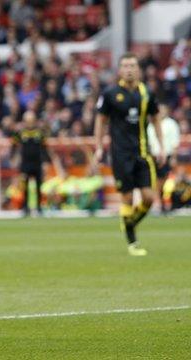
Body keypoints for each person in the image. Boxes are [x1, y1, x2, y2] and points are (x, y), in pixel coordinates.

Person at [94, 53, 165, 256]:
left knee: (149, 198)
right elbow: (101, 121)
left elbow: (156, 118)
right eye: (125, 66)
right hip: (120, 153)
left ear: (138, 69)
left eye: (133, 65)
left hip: (143, 152)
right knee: (126, 197)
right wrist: (99, 146)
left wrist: (161, 146)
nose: (129, 69)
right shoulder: (110, 94)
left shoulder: (146, 93)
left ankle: (129, 223)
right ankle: (132, 242)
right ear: (120, 70)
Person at [12, 111, 49, 216]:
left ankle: (38, 207)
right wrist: (14, 158)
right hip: (25, 164)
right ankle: (25, 207)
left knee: (38, 186)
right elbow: (14, 145)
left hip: (37, 163)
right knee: (25, 186)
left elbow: (44, 148)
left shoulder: (40, 133)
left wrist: (46, 162)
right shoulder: (20, 133)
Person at [147, 103, 180, 213]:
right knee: (154, 180)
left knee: (163, 180)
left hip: (166, 155)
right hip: (153, 156)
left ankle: (159, 202)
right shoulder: (151, 125)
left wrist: (173, 157)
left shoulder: (171, 124)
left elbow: (175, 143)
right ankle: (157, 203)